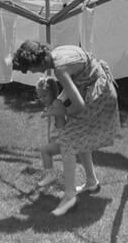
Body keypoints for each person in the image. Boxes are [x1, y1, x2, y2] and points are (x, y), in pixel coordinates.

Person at [13, 42, 120, 216]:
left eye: (31, 69)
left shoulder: (59, 69)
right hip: (100, 91)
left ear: (37, 62)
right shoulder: (58, 53)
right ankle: (91, 182)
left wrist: (59, 110)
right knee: (79, 138)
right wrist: (59, 103)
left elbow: (78, 105)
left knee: (68, 139)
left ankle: (69, 195)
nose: (32, 72)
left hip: (98, 97)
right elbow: (78, 83)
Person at [35, 76, 66, 191]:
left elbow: (62, 113)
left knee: (44, 151)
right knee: (47, 153)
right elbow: (51, 125)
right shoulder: (49, 106)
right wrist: (50, 138)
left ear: (53, 93)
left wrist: (49, 113)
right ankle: (50, 180)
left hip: (63, 139)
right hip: (56, 138)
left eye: (44, 95)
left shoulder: (57, 103)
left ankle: (51, 176)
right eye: (40, 96)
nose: (42, 99)